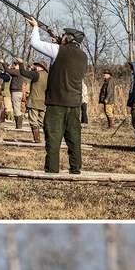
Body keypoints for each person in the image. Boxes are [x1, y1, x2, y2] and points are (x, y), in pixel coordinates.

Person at [29, 18, 89, 176]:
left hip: (57, 104)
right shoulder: (83, 57)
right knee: (74, 139)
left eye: (64, 35)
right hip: (75, 104)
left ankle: (52, 170)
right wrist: (56, 43)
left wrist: (35, 27)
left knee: (53, 138)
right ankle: (75, 169)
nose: (61, 36)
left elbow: (35, 43)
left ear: (68, 38)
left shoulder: (57, 50)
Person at [19, 60, 48, 145]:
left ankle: (37, 139)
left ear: (40, 66)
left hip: (34, 101)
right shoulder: (48, 75)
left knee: (33, 121)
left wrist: (21, 63)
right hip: (44, 102)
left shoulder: (36, 74)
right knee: (42, 122)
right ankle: (49, 139)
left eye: (36, 65)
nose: (35, 66)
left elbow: (23, 72)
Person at [8, 60, 25, 129]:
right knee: (16, 108)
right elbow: (9, 71)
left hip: (16, 92)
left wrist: (3, 63)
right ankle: (18, 125)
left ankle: (18, 126)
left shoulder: (18, 71)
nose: (14, 66)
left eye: (15, 65)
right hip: (17, 92)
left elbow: (8, 71)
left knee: (16, 109)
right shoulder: (19, 72)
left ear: (18, 65)